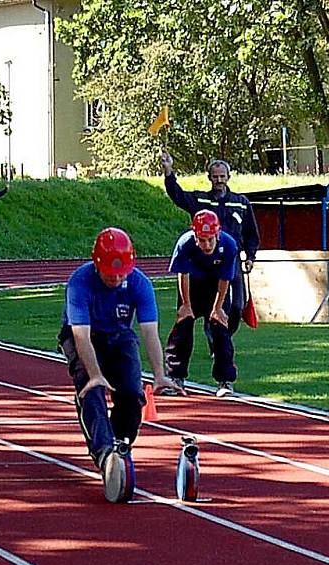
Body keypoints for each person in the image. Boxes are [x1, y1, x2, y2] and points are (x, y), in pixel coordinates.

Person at [57, 227, 178, 501]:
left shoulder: (139, 283)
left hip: (120, 334)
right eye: (110, 275)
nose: (116, 279)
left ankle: (121, 444)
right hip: (83, 335)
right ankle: (103, 454)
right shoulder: (80, 282)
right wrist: (96, 375)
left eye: (121, 273)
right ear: (97, 264)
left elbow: (149, 330)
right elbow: (81, 335)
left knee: (132, 394)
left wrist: (159, 374)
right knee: (92, 393)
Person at [160, 151, 259, 335]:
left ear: (229, 177)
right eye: (215, 177)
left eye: (222, 176)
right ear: (209, 178)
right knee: (207, 306)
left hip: (232, 259)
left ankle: (224, 335)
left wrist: (250, 256)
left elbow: (251, 234)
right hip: (204, 261)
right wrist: (168, 171)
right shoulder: (200, 200)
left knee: (237, 306)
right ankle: (215, 340)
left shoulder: (241, 203)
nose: (219, 180)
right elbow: (177, 195)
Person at [164, 210, 239, 397]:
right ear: (195, 236)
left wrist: (218, 308)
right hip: (192, 286)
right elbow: (183, 274)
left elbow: (225, 279)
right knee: (183, 327)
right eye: (202, 240)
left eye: (210, 240)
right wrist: (186, 305)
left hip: (216, 287)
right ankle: (175, 377)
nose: (206, 245)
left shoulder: (229, 245)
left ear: (218, 234)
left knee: (220, 329)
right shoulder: (185, 244)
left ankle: (225, 381)